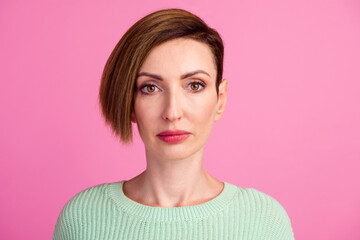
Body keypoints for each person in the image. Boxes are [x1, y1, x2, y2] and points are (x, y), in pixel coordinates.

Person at [52, 8, 295, 240]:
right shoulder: (82, 218)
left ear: (220, 99)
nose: (173, 112)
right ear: (129, 102)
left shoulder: (264, 221)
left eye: (195, 85)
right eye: (150, 88)